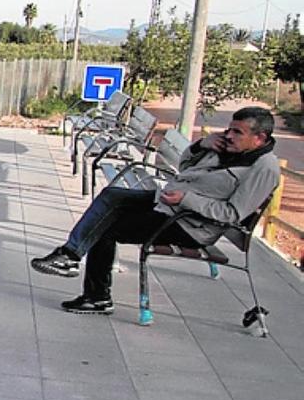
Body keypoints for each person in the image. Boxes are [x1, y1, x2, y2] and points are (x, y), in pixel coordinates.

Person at [31, 106, 280, 314]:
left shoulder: (264, 169)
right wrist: (201, 145)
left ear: (259, 138)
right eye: (229, 129)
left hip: (191, 225)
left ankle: (97, 298)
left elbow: (232, 214)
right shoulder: (229, 147)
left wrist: (187, 198)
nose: (229, 135)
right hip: (172, 203)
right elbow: (185, 167)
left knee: (106, 228)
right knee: (112, 196)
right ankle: (69, 256)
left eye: (237, 132)